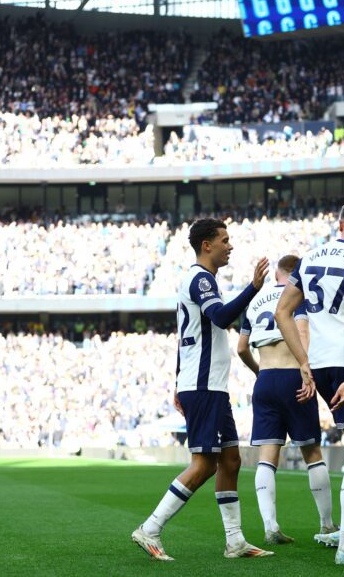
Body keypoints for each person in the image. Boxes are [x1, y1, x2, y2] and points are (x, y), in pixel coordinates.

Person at [132, 218, 272, 561]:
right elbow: (222, 318)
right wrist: (253, 288)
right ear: (207, 245)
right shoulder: (200, 279)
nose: (230, 245)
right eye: (225, 239)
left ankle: (235, 541)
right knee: (204, 464)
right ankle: (149, 529)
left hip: (208, 385)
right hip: (204, 384)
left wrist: (177, 384)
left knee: (230, 459)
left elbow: (184, 338)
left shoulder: (200, 280)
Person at [273, 201, 344, 565]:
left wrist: (304, 362)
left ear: (339, 224)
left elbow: (282, 312)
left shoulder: (308, 258)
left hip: (319, 362)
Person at [236, 254, 337, 544]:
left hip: (266, 379)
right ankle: (327, 524)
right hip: (294, 375)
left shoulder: (255, 301)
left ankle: (270, 527)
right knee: (312, 453)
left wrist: (259, 372)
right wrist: (308, 372)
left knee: (267, 457)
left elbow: (242, 347)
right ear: (295, 274)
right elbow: (302, 331)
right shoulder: (298, 294)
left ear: (277, 273)